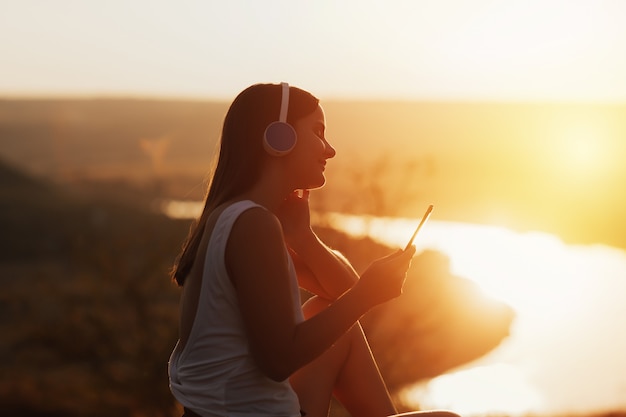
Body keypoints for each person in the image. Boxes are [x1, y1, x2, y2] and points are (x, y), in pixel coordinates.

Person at [168, 82, 459, 417]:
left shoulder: (236, 216)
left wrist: (303, 238)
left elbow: (342, 294)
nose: (329, 149)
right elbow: (278, 361)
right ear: (279, 138)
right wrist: (365, 295)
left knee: (329, 315)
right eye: (318, 132)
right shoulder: (253, 225)